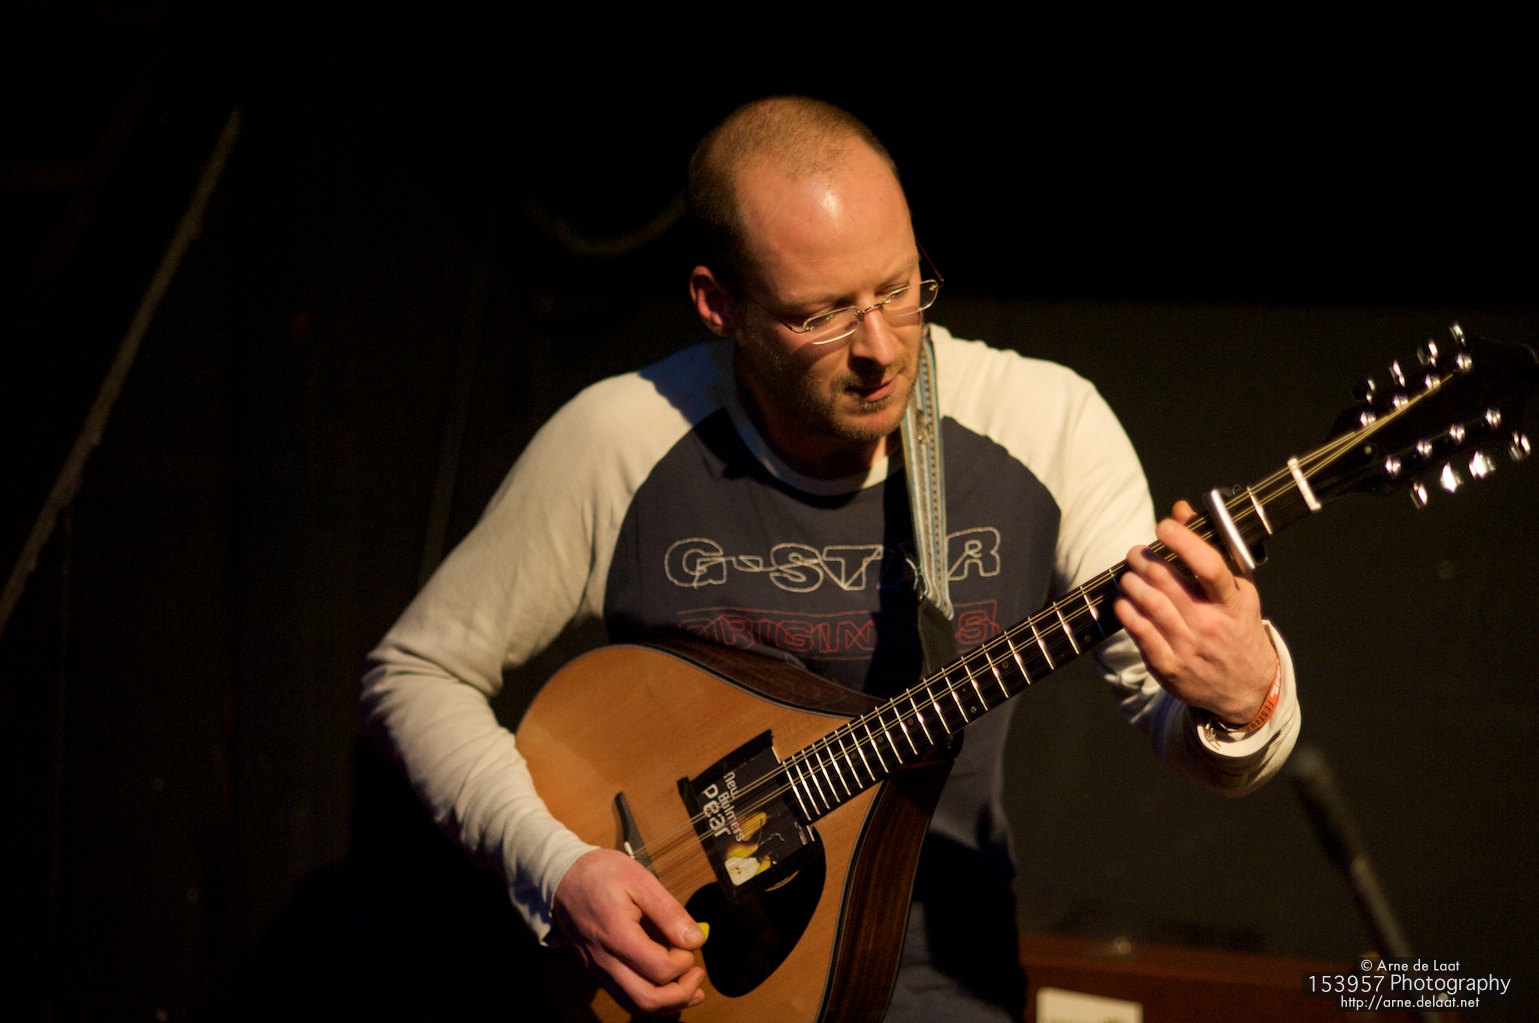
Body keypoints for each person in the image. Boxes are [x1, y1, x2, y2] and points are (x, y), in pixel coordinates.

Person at [362, 96, 1299, 1021]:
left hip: (942, 987)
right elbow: (413, 671)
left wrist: (1245, 699)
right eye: (822, 315)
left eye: (898, 288)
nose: (880, 349)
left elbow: (1187, 736)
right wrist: (556, 868)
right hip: (688, 991)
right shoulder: (618, 441)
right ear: (718, 304)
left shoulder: (1045, 424)